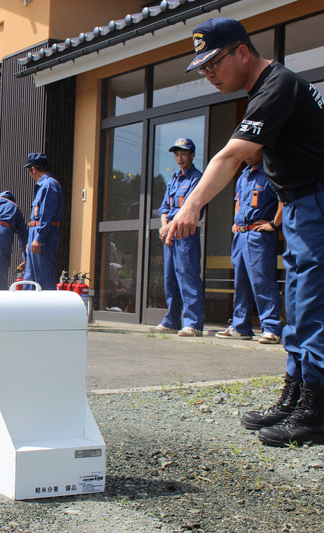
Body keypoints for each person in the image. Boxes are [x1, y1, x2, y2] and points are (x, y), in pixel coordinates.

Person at [165, 18, 324, 447]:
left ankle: (316, 411)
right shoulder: (266, 89)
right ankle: (295, 397)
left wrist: (192, 205)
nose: (209, 73)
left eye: (214, 62)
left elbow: (232, 155)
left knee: (312, 303)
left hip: (315, 201)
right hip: (297, 203)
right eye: (202, 68)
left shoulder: (278, 85)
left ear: (241, 51)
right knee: (295, 301)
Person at [215, 150, 282, 344]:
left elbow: (283, 201)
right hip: (241, 235)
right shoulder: (243, 175)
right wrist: (236, 223)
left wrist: (274, 224)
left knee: (262, 282)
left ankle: (271, 328)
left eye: (251, 150)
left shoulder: (270, 173)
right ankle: (240, 326)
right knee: (241, 283)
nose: (247, 154)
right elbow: (238, 202)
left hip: (259, 236)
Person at [154, 138, 206, 337]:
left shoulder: (197, 179)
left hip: (186, 235)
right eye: (176, 154)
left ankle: (193, 323)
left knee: (188, 276)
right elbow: (165, 208)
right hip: (171, 236)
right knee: (170, 278)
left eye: (183, 153)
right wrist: (164, 227)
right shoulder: (173, 180)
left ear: (192, 155)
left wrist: (170, 228)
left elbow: (191, 208)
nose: (180, 157)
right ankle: (172, 319)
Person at [20, 153, 62, 290]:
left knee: (43, 277)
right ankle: (28, 309)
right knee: (30, 277)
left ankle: (47, 310)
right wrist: (31, 240)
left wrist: (38, 238)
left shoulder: (49, 185)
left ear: (34, 169)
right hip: (36, 233)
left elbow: (46, 214)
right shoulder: (43, 186)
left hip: (44, 236)